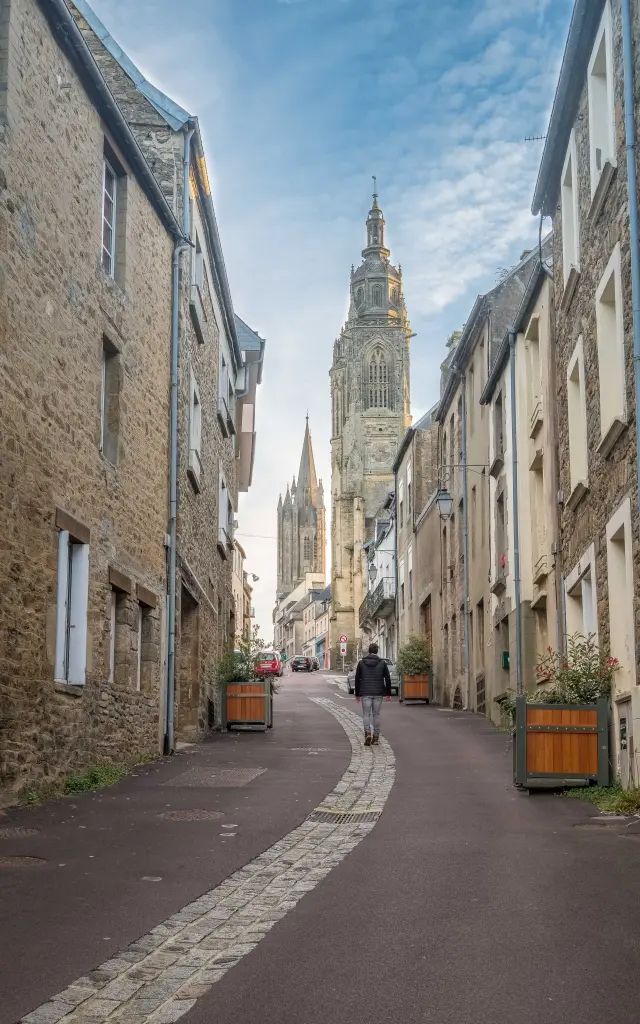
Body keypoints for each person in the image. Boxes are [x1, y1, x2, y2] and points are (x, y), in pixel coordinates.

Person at [354, 643, 391, 746]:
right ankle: (375, 738)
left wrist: (357, 694)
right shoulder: (382, 663)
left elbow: (357, 679)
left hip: (365, 692)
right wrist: (388, 693)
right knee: (376, 715)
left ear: (369, 651)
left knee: (366, 714)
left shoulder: (361, 663)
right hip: (378, 692)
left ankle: (367, 733)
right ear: (377, 651)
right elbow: (387, 678)